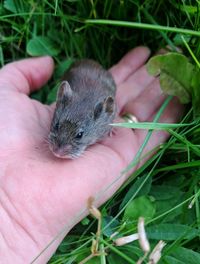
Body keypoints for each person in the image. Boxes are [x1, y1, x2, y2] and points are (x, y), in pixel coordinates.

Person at [0, 46, 183, 263]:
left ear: (103, 115)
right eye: (57, 127)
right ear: (61, 99)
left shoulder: (104, 112)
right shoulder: (67, 98)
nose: (58, 149)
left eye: (77, 136)